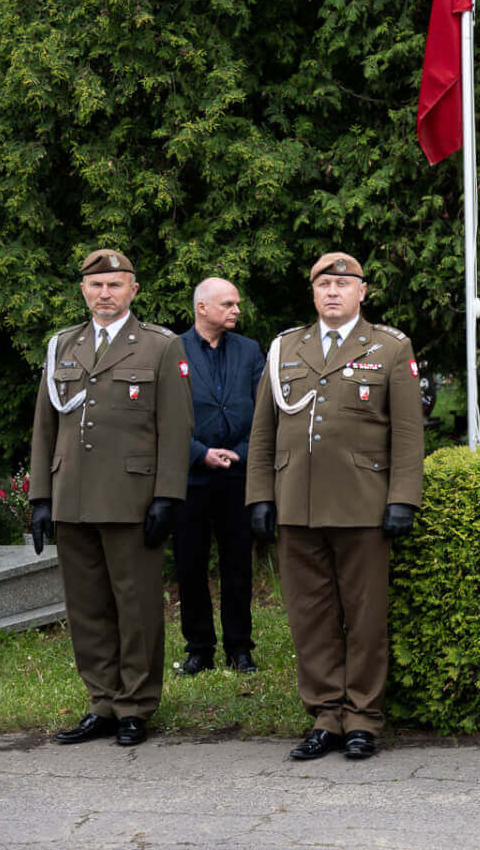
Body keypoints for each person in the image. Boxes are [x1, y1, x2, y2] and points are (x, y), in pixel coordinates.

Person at [246, 253, 424, 762]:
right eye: (324, 284)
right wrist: (259, 495)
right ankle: (325, 716)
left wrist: (402, 499)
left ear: (362, 292)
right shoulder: (285, 348)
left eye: (344, 284)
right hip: (295, 504)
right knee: (310, 616)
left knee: (366, 618)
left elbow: (408, 435)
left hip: (363, 505)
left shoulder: (390, 348)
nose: (333, 292)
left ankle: (363, 718)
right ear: (313, 292)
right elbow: (264, 431)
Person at [28, 249, 194, 747]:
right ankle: (101, 701)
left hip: (132, 497)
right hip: (72, 497)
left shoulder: (160, 347)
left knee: (136, 604)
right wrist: (40, 497)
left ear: (133, 291)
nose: (105, 294)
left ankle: (136, 706)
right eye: (97, 285)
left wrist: (167, 495)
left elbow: (177, 427)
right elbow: (43, 427)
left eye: (115, 285)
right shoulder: (63, 346)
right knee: (87, 606)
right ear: (83, 290)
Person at [173, 278, 264, 676]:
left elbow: (264, 411)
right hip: (190, 476)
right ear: (202, 308)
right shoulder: (171, 350)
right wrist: (199, 453)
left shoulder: (249, 350)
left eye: (237, 304)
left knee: (238, 565)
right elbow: (164, 416)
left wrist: (240, 453)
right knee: (190, 565)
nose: (236, 310)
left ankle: (239, 648)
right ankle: (199, 648)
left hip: (238, 475)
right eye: (228, 304)